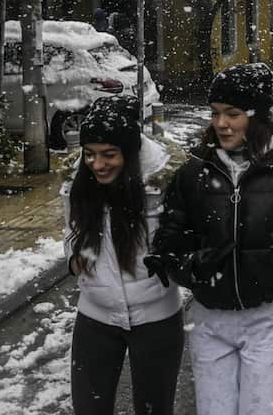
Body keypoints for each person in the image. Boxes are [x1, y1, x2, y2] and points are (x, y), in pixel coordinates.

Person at [152, 63, 273, 415]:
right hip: (211, 321)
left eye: (233, 114)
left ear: (259, 116)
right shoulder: (194, 173)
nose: (221, 124)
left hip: (271, 320)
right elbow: (169, 240)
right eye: (216, 113)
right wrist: (189, 266)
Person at [63, 95, 183, 415]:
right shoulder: (80, 181)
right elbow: (71, 232)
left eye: (108, 155)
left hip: (156, 318)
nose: (97, 164)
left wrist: (176, 258)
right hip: (95, 317)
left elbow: (190, 236)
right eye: (89, 154)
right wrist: (75, 256)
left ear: (129, 153)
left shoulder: (166, 181)